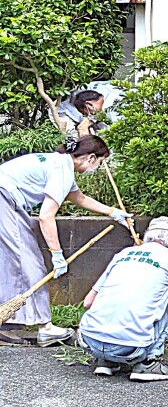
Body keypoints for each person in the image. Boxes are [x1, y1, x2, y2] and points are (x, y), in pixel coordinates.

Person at [0, 136, 134, 346]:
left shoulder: (59, 164)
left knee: (11, 264)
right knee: (29, 262)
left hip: (6, 199)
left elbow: (78, 198)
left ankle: (7, 325)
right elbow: (46, 217)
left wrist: (113, 212)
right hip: (4, 199)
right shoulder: (61, 169)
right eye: (98, 163)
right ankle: (45, 327)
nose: (96, 168)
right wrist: (57, 255)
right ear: (91, 158)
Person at [79, 216, 168, 382]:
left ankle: (106, 361)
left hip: (89, 341)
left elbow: (88, 302)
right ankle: (147, 363)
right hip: (129, 347)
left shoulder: (124, 253)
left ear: (147, 236)